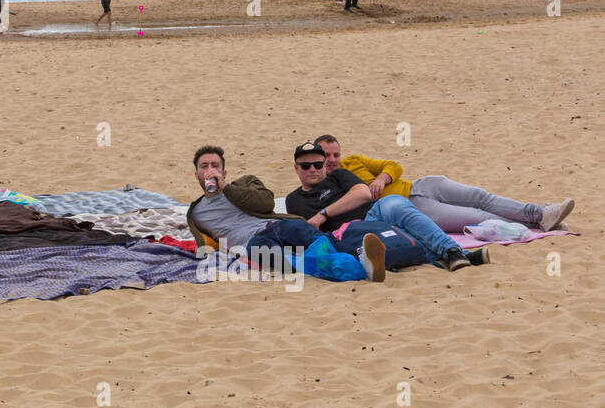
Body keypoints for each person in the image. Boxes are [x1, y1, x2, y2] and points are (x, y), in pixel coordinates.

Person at [185, 145, 388, 282]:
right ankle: (357, 269)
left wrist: (226, 188)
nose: (210, 170)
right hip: (252, 243)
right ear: (196, 174)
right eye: (204, 167)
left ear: (224, 172)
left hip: (278, 225)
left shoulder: (245, 183)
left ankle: (361, 259)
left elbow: (265, 203)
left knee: (320, 241)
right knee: (292, 262)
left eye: (215, 166)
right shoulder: (196, 212)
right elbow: (206, 242)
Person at [285, 142, 486, 271]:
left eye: (318, 165)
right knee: (405, 238)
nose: (313, 169)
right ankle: (461, 255)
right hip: (350, 233)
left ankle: (452, 251)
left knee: (394, 203)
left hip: (374, 215)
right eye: (305, 166)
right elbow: (309, 232)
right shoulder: (293, 200)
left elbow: (362, 194)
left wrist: (324, 213)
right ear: (296, 168)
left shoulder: (338, 176)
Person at [314, 135, 573, 234]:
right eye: (327, 156)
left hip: (422, 186)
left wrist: (383, 177)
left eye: (336, 154)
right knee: (478, 216)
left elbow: (393, 165)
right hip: (413, 209)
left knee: (482, 196)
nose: (333, 160)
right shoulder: (327, 189)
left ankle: (539, 213)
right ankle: (535, 225)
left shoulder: (353, 161)